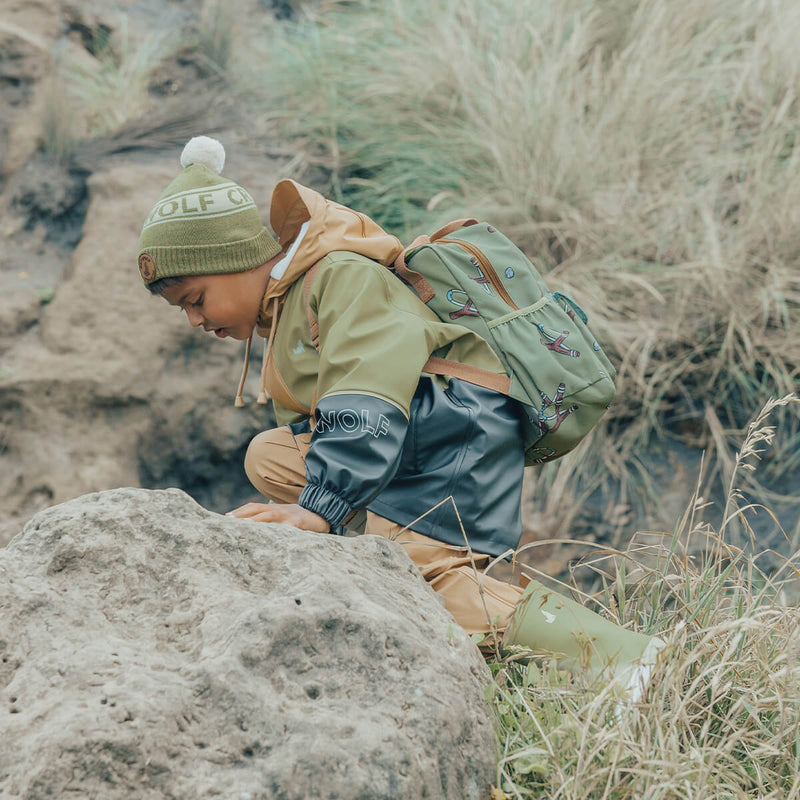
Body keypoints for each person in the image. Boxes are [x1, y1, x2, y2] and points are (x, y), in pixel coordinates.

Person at [137, 136, 664, 698]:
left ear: (235, 260)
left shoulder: (340, 276)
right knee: (270, 454)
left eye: (196, 298)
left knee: (426, 582)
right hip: (423, 437)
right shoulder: (291, 303)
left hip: (458, 436)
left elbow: (368, 393)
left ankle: (629, 661)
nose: (194, 319)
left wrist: (322, 509)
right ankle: (380, 547)